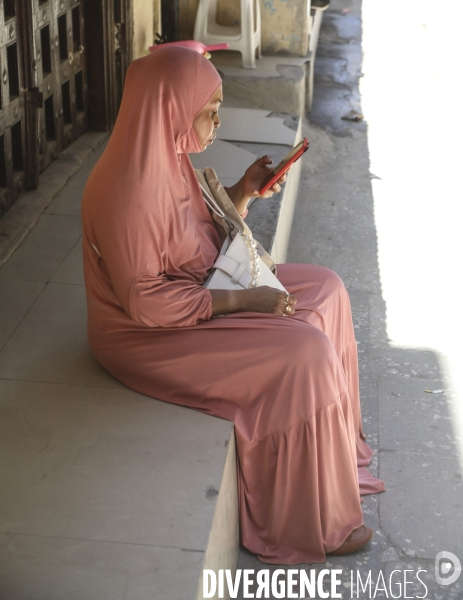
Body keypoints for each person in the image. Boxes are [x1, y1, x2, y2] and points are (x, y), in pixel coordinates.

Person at [81, 46, 385, 565]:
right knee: (304, 351)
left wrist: (241, 194)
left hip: (199, 290)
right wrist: (247, 301)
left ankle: (331, 464)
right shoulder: (126, 191)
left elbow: (193, 237)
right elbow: (145, 303)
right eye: (209, 108)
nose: (218, 121)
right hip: (150, 334)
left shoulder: (168, 158)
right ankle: (313, 516)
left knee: (328, 289)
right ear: (171, 109)